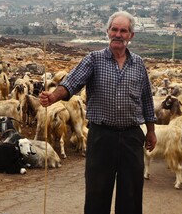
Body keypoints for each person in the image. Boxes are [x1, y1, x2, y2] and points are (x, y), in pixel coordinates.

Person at [39, 11, 157, 214]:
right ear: (108, 32)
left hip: (131, 137)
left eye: (123, 30)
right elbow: (72, 82)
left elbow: (146, 99)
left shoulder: (138, 64)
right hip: (102, 136)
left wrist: (151, 131)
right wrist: (53, 96)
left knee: (131, 194)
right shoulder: (93, 60)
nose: (118, 34)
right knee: (97, 193)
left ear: (131, 35)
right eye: (114, 29)